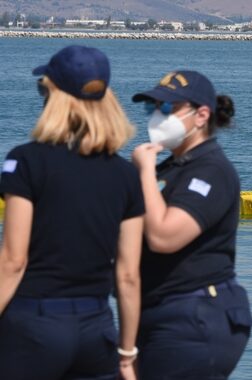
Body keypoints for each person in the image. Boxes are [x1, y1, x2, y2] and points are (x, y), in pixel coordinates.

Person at [0, 45, 144, 380]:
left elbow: (13, 261)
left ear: (54, 97)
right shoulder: (125, 176)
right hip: (96, 329)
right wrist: (126, 353)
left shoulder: (26, 161)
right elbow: (128, 276)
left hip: (35, 323)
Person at [131, 70, 252, 379]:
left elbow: (164, 236)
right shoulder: (172, 168)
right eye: (152, 108)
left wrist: (144, 171)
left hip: (196, 316)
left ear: (201, 115)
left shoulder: (210, 170)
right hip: (162, 313)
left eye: (167, 108)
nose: (157, 117)